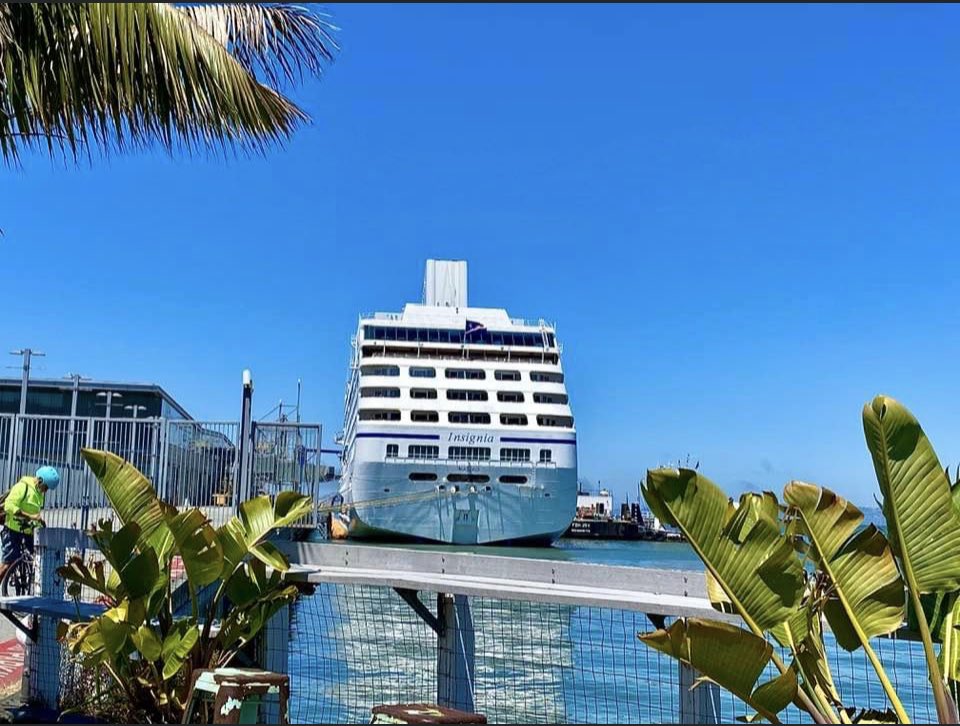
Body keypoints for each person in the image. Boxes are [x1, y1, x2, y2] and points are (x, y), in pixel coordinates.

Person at [0, 466, 59, 580]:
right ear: (40, 480)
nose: (46, 491)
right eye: (46, 487)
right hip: (12, 531)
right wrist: (30, 516)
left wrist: (40, 523)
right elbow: (9, 506)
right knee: (7, 564)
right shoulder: (22, 487)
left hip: (28, 532)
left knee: (40, 556)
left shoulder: (38, 493)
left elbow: (35, 515)